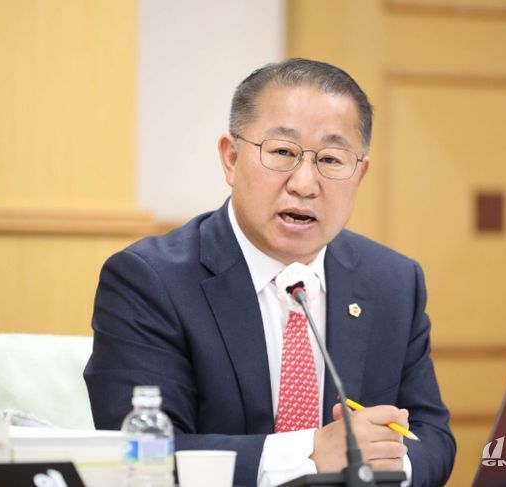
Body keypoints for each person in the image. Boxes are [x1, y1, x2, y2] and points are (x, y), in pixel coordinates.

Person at [84, 58, 455, 486]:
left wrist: (387, 464)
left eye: (331, 159)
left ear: (360, 174)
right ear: (231, 159)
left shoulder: (393, 281)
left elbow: (431, 435)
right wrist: (309, 453)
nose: (304, 184)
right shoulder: (149, 280)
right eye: (282, 153)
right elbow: (145, 454)